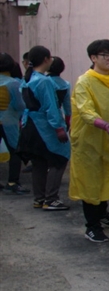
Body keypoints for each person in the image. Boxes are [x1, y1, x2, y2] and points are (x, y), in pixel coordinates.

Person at [68, 40, 109, 243]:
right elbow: (85, 110)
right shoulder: (85, 82)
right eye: (105, 55)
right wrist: (104, 125)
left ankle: (102, 213)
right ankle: (92, 226)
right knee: (90, 182)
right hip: (89, 141)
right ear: (93, 58)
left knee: (107, 176)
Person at [18, 46, 70, 211]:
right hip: (44, 126)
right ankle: (51, 198)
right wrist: (59, 128)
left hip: (30, 125)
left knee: (39, 161)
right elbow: (51, 107)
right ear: (46, 59)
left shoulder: (28, 79)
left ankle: (39, 198)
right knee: (59, 158)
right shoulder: (44, 81)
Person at [0, 53, 29, 195]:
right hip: (9, 121)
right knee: (15, 151)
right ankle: (12, 182)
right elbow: (20, 105)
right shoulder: (13, 83)